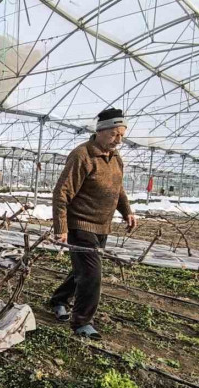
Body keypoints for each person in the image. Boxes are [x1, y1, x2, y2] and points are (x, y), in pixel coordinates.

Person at [49, 108, 137, 340]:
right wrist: (62, 228)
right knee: (91, 274)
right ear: (100, 131)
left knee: (84, 269)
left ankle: (58, 300)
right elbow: (62, 192)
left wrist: (127, 211)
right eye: (115, 134)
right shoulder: (82, 155)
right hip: (80, 224)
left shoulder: (116, 158)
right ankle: (82, 322)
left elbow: (117, 189)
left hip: (102, 226)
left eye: (122, 135)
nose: (119, 140)